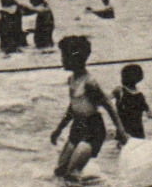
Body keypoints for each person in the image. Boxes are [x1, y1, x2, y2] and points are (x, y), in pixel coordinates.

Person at [50, 35, 126, 178]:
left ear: (75, 59)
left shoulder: (89, 83)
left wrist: (121, 131)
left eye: (64, 56)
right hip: (78, 127)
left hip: (93, 129)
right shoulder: (71, 80)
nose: (62, 60)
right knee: (59, 171)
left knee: (72, 174)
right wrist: (58, 130)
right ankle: (92, 184)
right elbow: (72, 109)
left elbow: (108, 106)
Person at [112, 63, 152, 140]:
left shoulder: (120, 91)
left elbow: (106, 99)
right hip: (137, 130)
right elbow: (150, 114)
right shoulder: (140, 95)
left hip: (125, 131)